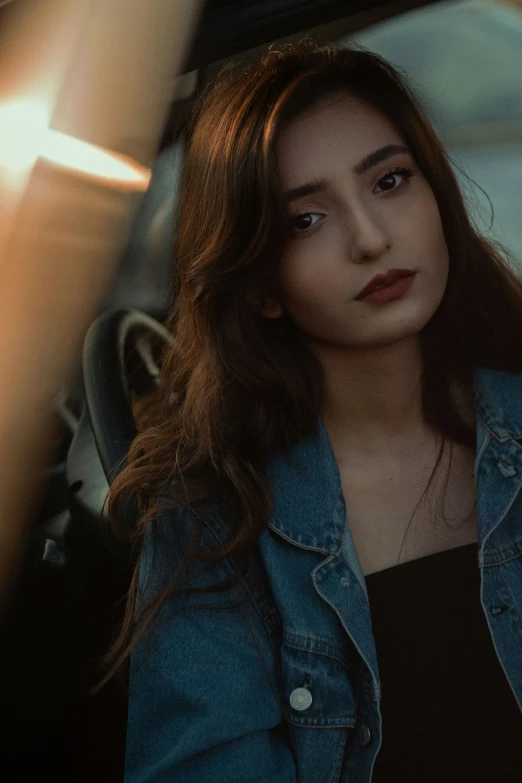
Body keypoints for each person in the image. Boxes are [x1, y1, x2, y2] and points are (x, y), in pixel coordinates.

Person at [102, 43, 522, 782]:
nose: (370, 238)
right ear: (259, 283)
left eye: (390, 180)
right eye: (306, 220)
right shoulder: (212, 520)